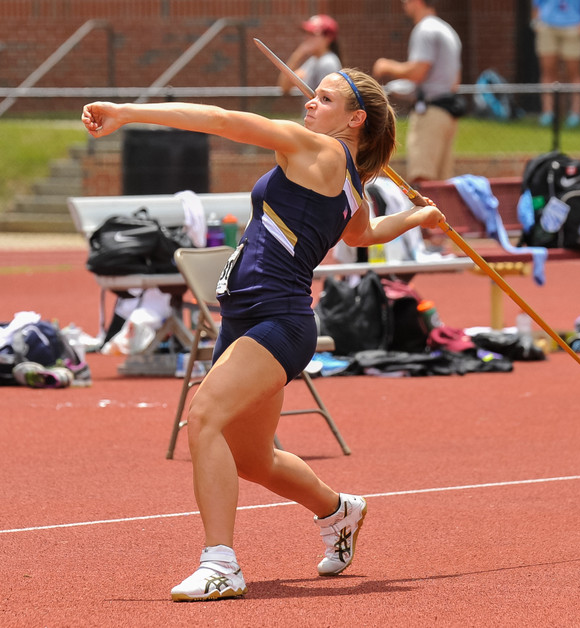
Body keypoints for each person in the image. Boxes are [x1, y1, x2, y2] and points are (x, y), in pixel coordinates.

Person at [82, 69, 446, 602]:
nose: (308, 103)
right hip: (244, 319)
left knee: (203, 417)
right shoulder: (351, 186)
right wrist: (418, 216)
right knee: (254, 460)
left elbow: (224, 121)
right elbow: (363, 234)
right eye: (312, 95)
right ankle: (338, 510)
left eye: (323, 98)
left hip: (279, 320)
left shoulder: (312, 149)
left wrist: (128, 112)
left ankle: (220, 563)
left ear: (355, 118)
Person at [372, 0, 462, 185]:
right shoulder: (447, 30)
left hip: (430, 113)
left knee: (423, 181)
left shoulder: (424, 29)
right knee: (442, 184)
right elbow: (454, 81)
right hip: (446, 113)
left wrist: (386, 66)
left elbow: (418, 72)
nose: (403, 4)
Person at [531, 0, 580, 128]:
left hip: (573, 28)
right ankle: (548, 113)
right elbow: (536, 6)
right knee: (548, 72)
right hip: (547, 27)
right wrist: (537, 24)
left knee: (574, 73)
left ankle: (576, 113)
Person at [279, 14, 342, 92]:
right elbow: (285, 86)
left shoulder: (328, 62)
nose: (307, 37)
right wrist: (297, 55)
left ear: (328, 38)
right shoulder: (313, 60)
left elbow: (326, 98)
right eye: (307, 33)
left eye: (313, 34)